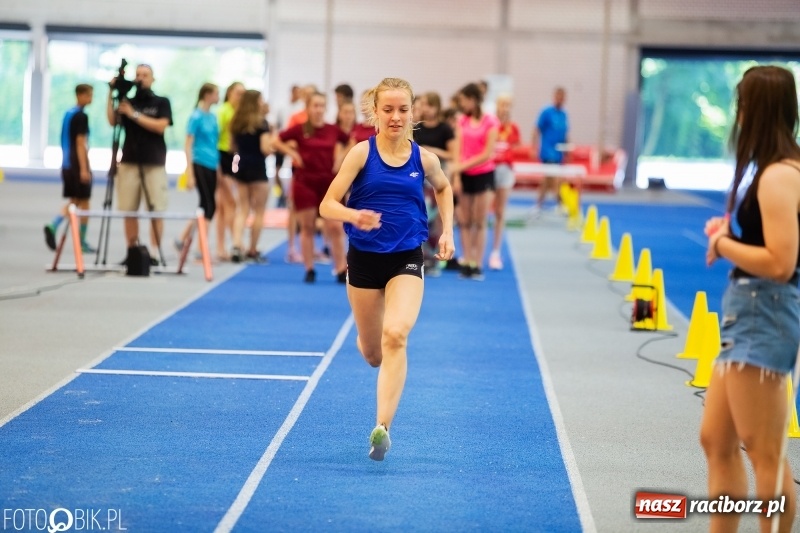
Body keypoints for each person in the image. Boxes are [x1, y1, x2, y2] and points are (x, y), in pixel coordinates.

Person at [319, 77, 454, 461]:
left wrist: (447, 231)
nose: (396, 117)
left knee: (396, 335)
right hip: (363, 260)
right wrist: (353, 215)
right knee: (374, 354)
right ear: (375, 113)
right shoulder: (361, 154)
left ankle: (382, 428)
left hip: (406, 256)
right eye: (388, 109)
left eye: (403, 110)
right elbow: (327, 205)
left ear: (413, 113)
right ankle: (368, 343)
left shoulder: (424, 159)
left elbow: (443, 188)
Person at [702, 65, 800, 533]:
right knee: (716, 440)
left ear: (753, 109)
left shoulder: (779, 175)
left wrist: (723, 244)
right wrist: (730, 237)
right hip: (750, 312)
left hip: (764, 311)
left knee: (765, 453)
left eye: (741, 104)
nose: (737, 114)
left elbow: (781, 262)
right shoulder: (777, 169)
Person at [273, 91, 350, 283]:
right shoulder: (299, 129)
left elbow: (351, 141)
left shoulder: (332, 129)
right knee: (307, 226)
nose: (319, 110)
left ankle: (341, 268)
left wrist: (340, 158)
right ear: (308, 108)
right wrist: (293, 154)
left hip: (328, 183)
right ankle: (309, 268)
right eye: (315, 105)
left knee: (335, 227)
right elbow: (275, 141)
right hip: (305, 182)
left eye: (322, 106)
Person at [106, 64, 173, 262]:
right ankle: (132, 251)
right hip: (129, 161)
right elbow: (112, 121)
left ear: (153, 78)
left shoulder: (161, 102)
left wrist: (134, 114)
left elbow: (160, 126)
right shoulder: (127, 102)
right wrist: (112, 94)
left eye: (145, 75)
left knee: (156, 209)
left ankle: (154, 253)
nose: (141, 78)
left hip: (154, 162)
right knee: (128, 209)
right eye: (138, 75)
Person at [451, 82, 499, 280]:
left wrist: (461, 166)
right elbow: (458, 150)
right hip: (464, 176)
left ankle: (477, 263)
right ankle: (467, 261)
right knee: (465, 221)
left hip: (484, 174)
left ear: (473, 100)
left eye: (464, 101)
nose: (462, 105)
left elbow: (487, 153)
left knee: (479, 221)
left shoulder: (491, 121)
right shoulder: (461, 121)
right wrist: (457, 176)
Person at [44, 83, 95, 253]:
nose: (91, 98)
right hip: (76, 164)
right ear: (80, 95)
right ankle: (80, 240)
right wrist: (84, 168)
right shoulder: (81, 116)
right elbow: (81, 143)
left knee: (76, 201)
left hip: (67, 163)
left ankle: (54, 225)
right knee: (84, 203)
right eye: (88, 95)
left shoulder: (68, 114)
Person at [175, 83, 220, 257]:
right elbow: (187, 144)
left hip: (212, 163)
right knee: (209, 205)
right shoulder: (196, 117)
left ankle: (182, 238)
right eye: (216, 94)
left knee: (204, 205)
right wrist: (189, 173)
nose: (218, 97)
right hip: (199, 162)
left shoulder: (212, 117)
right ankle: (201, 249)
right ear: (207, 95)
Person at [229, 89, 273, 263]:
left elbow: (232, 147)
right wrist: (273, 144)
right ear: (255, 102)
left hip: (241, 166)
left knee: (243, 209)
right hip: (257, 168)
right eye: (260, 100)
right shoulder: (262, 123)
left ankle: (236, 244)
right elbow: (265, 148)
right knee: (259, 211)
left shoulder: (236, 122)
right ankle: (252, 249)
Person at [489, 94, 521, 271]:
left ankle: (495, 252)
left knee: (500, 212)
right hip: (489, 169)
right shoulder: (491, 124)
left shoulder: (513, 128)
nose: (505, 108)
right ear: (497, 105)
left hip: (505, 170)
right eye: (502, 105)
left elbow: (516, 145)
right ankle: (474, 253)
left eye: (508, 105)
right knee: (481, 213)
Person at [216, 81, 245, 261]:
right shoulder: (223, 111)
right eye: (238, 93)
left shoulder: (238, 112)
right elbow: (215, 136)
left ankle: (224, 246)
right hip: (220, 156)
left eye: (243, 94)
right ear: (229, 93)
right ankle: (232, 243)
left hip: (231, 158)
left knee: (222, 206)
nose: (240, 97)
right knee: (228, 203)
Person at [531, 87, 568, 216]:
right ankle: (560, 204)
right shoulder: (546, 112)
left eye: (562, 97)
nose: (560, 99)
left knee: (547, 181)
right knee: (554, 179)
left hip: (559, 153)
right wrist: (534, 147)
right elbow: (537, 129)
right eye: (558, 96)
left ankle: (539, 205)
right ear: (554, 97)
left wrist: (567, 151)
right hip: (548, 151)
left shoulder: (564, 115)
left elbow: (565, 134)